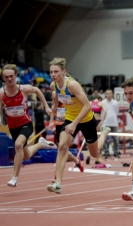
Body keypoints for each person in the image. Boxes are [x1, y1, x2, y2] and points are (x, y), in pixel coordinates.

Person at [46, 57, 110, 194]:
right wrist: (53, 116)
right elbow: (56, 101)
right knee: (62, 146)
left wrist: (76, 124)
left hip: (86, 119)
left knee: (94, 154)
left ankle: (104, 133)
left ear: (63, 72)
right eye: (51, 72)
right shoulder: (54, 85)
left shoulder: (72, 85)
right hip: (69, 118)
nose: (53, 75)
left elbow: (87, 105)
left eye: (56, 72)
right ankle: (58, 183)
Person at [0, 64, 56, 187]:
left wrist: (46, 106)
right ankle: (42, 143)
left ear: (16, 76)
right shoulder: (1, 93)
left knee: (18, 144)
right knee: (26, 155)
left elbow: (37, 90)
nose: (9, 79)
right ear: (3, 78)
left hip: (26, 124)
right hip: (12, 127)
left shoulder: (23, 89)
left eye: (11, 76)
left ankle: (14, 177)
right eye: (6, 77)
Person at [48, 91, 84, 181]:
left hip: (69, 123)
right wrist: (51, 121)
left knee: (62, 149)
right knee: (62, 149)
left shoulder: (72, 92)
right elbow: (54, 107)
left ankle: (57, 176)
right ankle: (76, 161)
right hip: (59, 124)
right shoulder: (54, 93)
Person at [101, 89, 119, 158]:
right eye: (107, 93)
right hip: (105, 123)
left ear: (112, 94)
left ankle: (116, 152)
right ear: (105, 94)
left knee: (115, 138)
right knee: (104, 138)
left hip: (114, 123)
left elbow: (116, 112)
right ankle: (106, 152)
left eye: (110, 93)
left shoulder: (115, 103)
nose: (109, 95)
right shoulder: (103, 102)